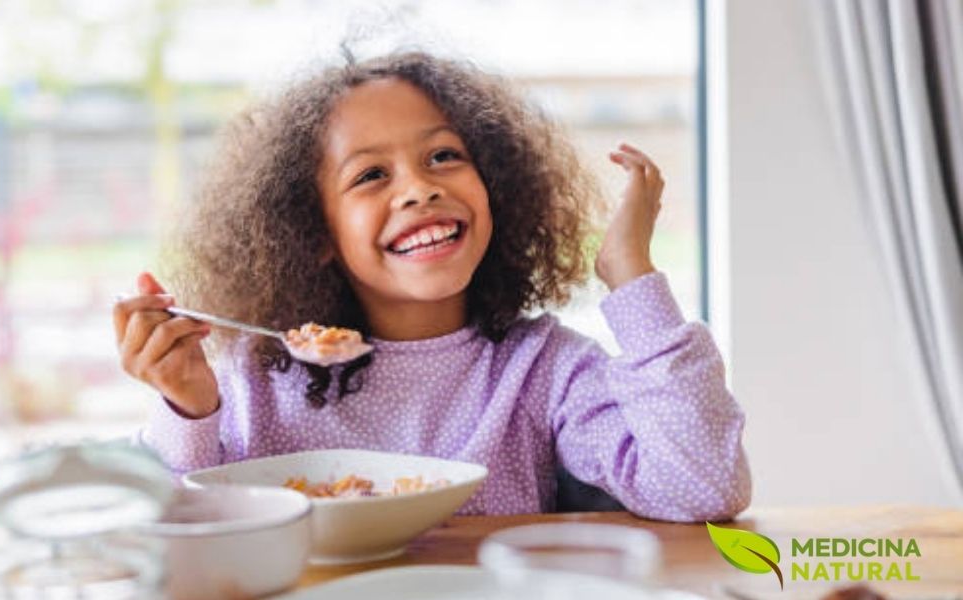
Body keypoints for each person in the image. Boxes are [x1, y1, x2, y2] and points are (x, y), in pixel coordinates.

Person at [113, 51, 750, 520]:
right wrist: (188, 407)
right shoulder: (252, 377)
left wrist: (630, 274)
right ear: (315, 233)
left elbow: (703, 487)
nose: (420, 188)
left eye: (444, 156)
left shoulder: (541, 369)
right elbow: (174, 527)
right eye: (370, 176)